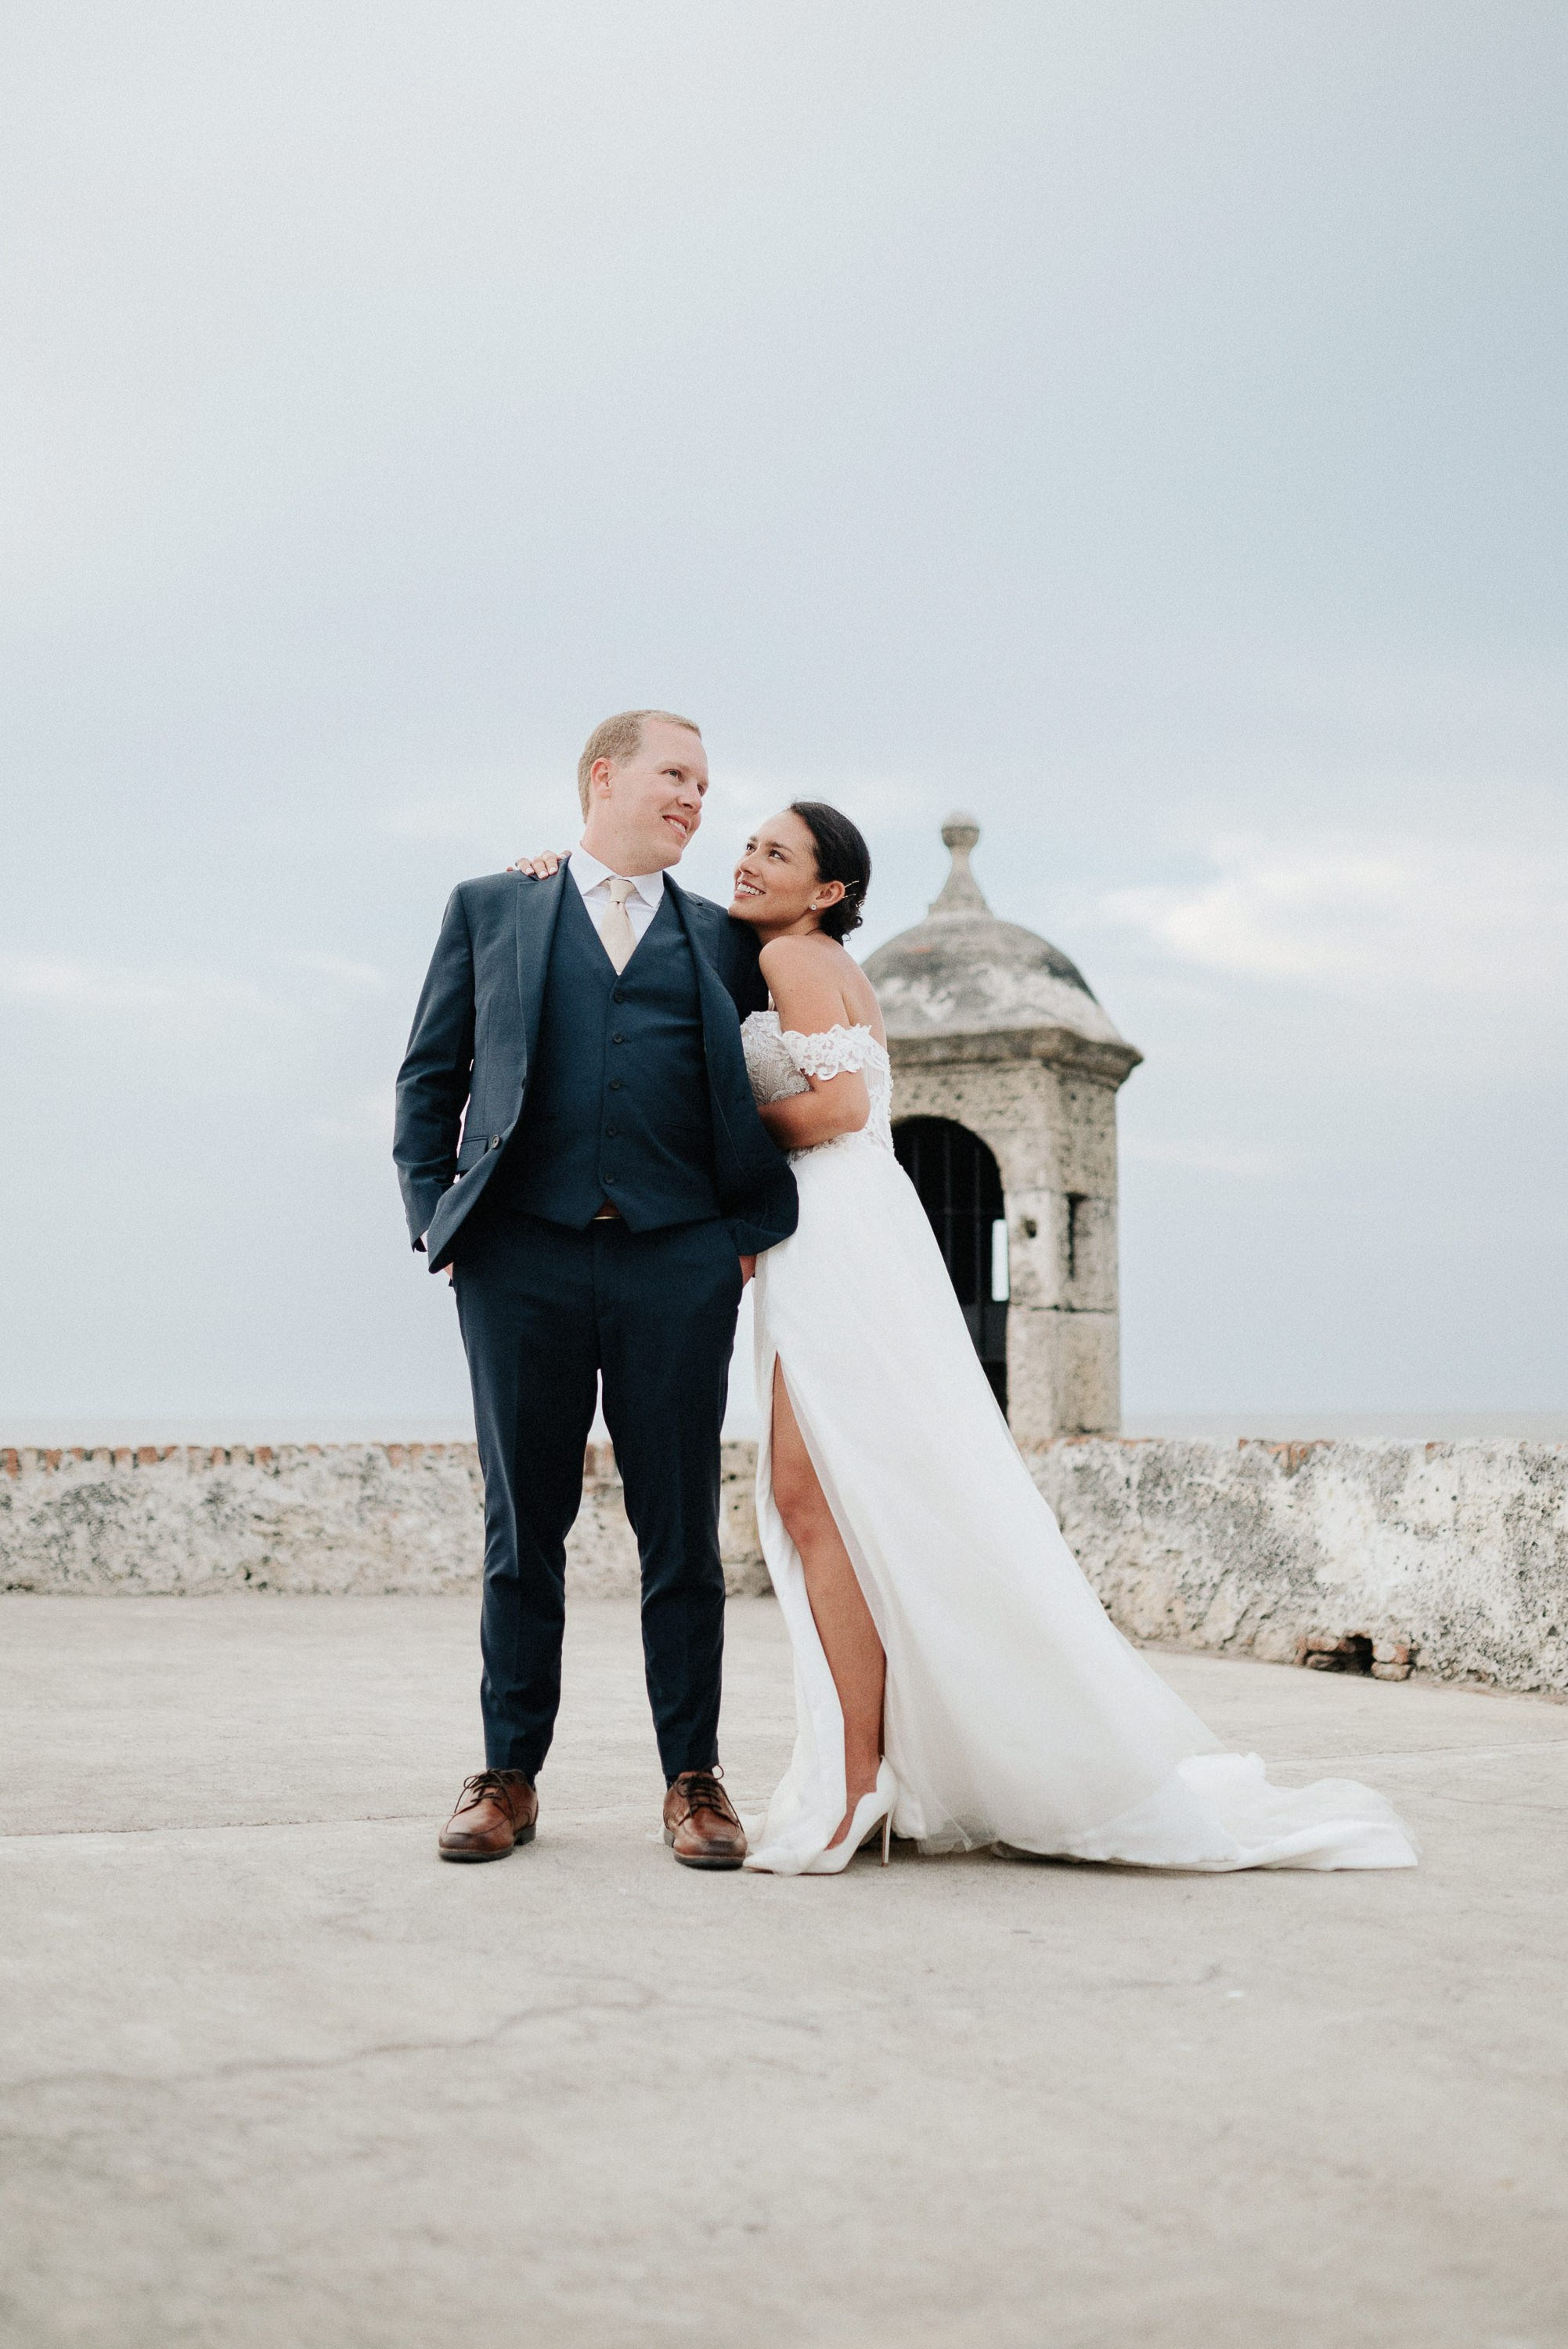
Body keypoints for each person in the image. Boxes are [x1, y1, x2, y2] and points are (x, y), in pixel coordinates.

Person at [514, 801, 1418, 1879]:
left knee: (814, 1501)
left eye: (777, 853)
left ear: (828, 891)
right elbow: (661, 927)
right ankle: (872, 1766)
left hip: (833, 1228)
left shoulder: (800, 957)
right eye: (748, 845)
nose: (749, 859)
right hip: (843, 1227)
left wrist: (704, 1138)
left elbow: (843, 1106)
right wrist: (554, 872)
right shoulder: (776, 951)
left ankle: (859, 1781)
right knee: (833, 1503)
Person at [394, 711, 796, 1869]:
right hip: (518, 1258)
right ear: (604, 777)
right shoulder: (492, 906)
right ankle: (506, 1777)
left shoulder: (726, 940)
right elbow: (433, 1074)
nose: (697, 800)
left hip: (678, 1261)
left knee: (683, 1533)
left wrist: (742, 1234)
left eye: (707, 784)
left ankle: (695, 1781)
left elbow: (779, 1079)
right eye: (678, 775)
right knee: (525, 1527)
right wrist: (439, 1220)